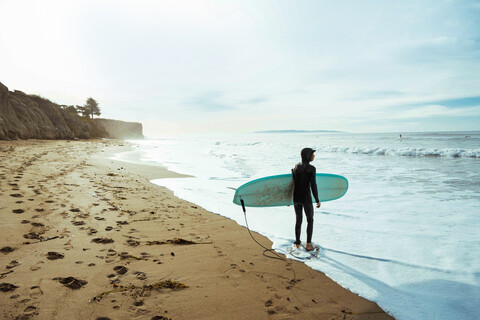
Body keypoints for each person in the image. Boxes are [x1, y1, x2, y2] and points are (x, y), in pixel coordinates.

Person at [292, 148, 321, 251]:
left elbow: (292, 183)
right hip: (306, 197)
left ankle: (297, 243)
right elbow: (313, 185)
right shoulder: (312, 169)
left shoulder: (296, 167)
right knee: (310, 220)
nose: (314, 156)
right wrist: (317, 199)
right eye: (312, 154)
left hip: (296, 196)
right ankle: (308, 244)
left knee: (298, 220)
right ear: (308, 156)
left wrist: (287, 198)